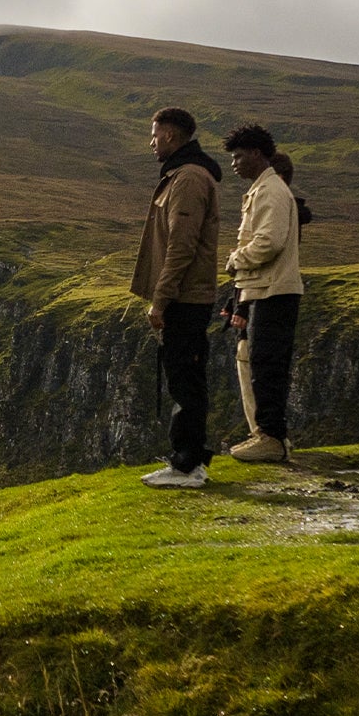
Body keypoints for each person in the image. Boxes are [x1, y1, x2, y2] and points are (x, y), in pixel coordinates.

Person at [130, 107, 220, 488]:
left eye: (155, 135)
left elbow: (181, 248)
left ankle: (188, 465)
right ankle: (188, 459)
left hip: (185, 299)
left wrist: (161, 300)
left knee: (185, 380)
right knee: (183, 377)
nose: (151, 142)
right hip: (185, 297)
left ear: (169, 135)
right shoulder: (183, 176)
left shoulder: (188, 179)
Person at [221, 123, 304, 463]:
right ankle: (268, 435)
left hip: (273, 290)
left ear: (256, 154)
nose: (234, 164)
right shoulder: (265, 189)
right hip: (264, 288)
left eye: (238, 156)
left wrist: (235, 259)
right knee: (262, 361)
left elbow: (269, 242)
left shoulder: (270, 191)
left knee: (267, 364)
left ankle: (270, 437)